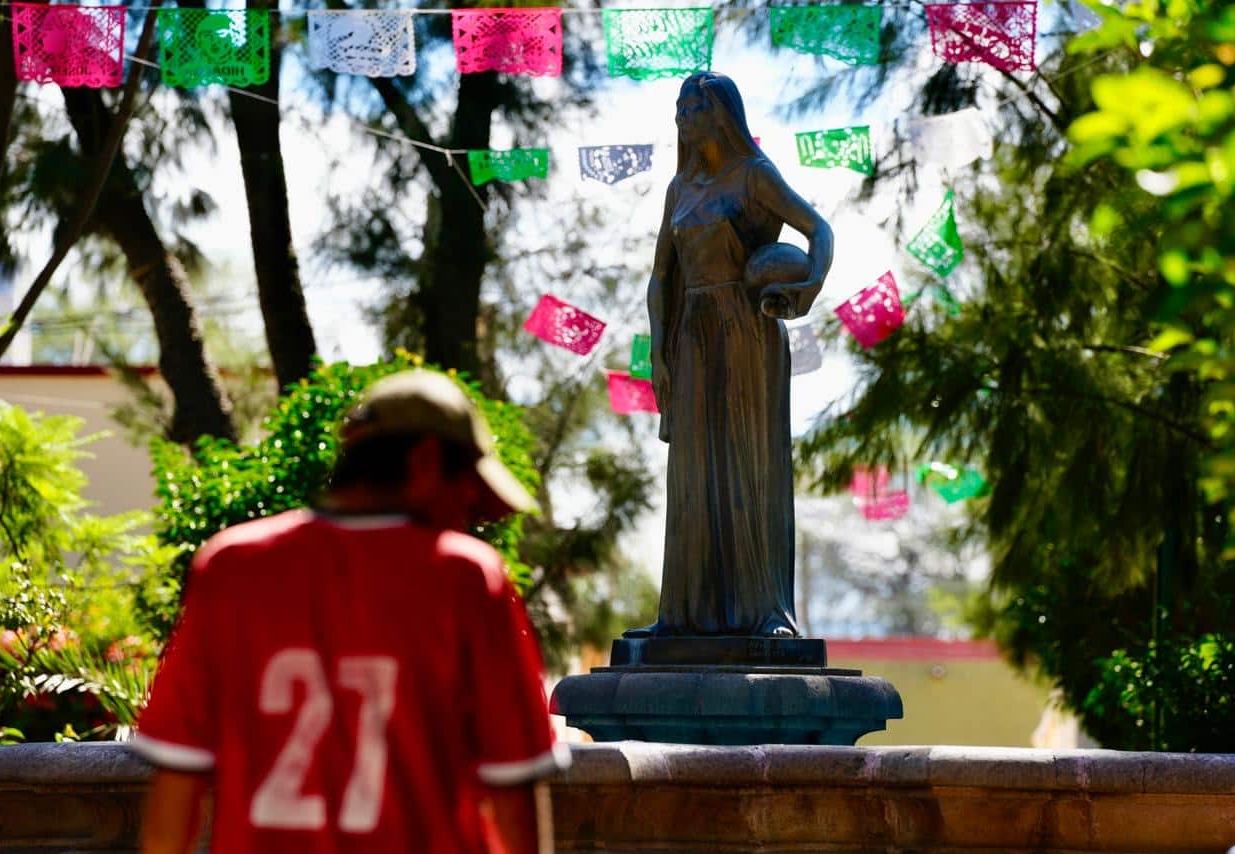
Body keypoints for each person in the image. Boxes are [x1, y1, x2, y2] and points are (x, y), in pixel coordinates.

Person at [130, 370, 568, 853]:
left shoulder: (230, 567)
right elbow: (512, 795)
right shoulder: (465, 577)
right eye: (467, 488)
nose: (469, 509)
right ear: (425, 461)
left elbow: (176, 783)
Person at [636, 71, 834, 637]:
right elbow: (660, 275)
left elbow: (818, 229)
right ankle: (681, 615)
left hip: (747, 329)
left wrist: (807, 285)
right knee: (694, 475)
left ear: (718, 112)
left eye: (689, 107)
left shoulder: (754, 176)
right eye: (677, 108)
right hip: (691, 332)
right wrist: (657, 352)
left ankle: (764, 612)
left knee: (748, 466)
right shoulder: (680, 189)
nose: (680, 118)